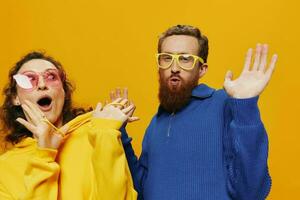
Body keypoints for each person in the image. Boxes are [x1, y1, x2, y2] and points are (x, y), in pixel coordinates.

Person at [120, 25, 277, 200]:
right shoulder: (156, 123)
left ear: (202, 69)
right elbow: (141, 190)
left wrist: (245, 104)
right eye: (166, 58)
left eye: (185, 59)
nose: (174, 67)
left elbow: (251, 191)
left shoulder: (223, 104)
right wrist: (120, 134)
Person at [0, 51, 137, 199]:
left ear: (64, 91)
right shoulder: (5, 168)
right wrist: (44, 153)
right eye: (29, 79)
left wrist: (106, 133)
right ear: (15, 97)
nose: (41, 85)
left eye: (51, 77)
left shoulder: (96, 135)